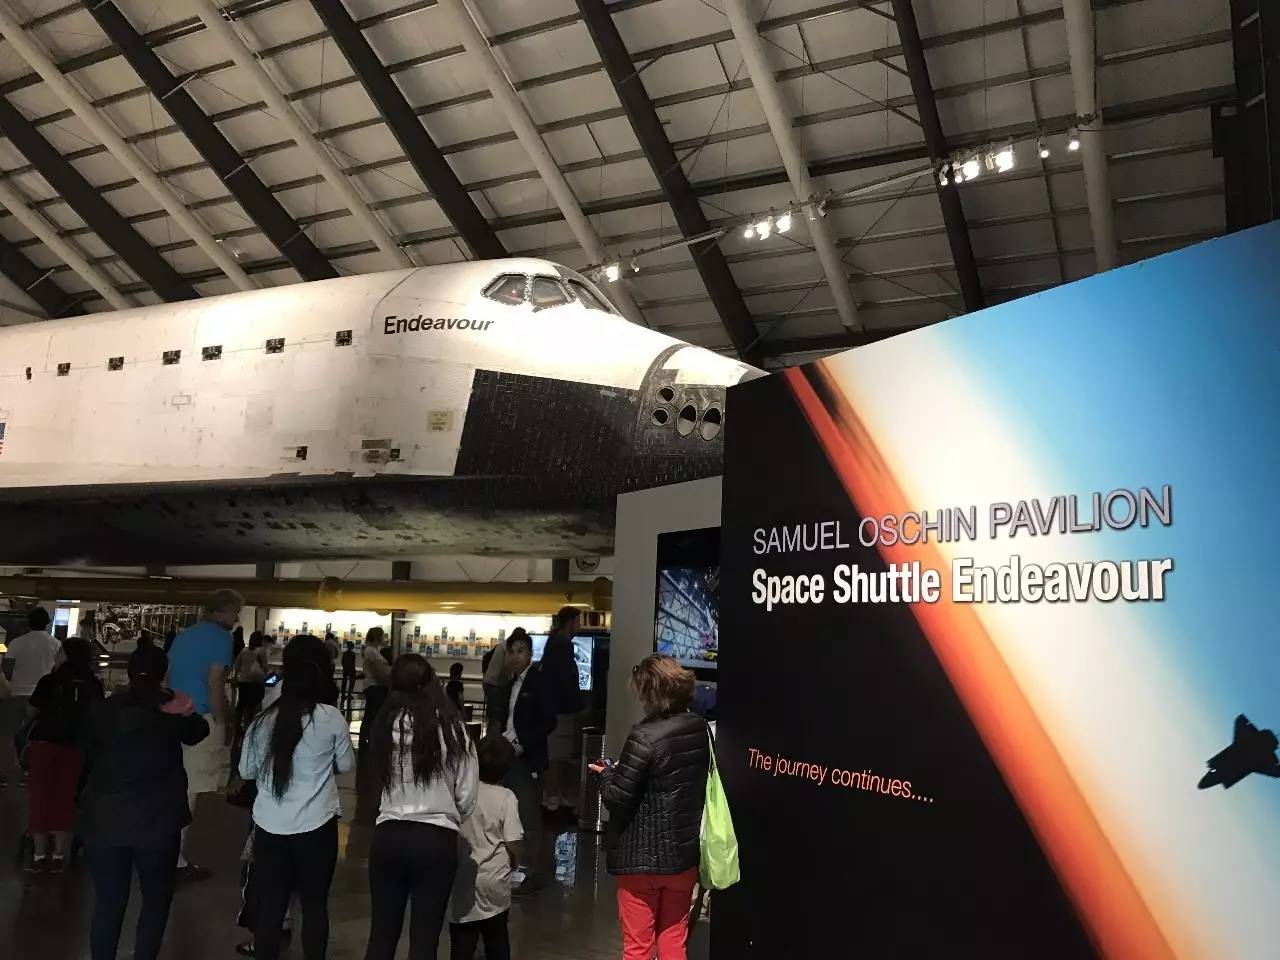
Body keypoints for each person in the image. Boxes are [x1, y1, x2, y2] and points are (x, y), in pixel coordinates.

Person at [79, 646, 210, 960]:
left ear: (128, 672)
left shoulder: (103, 709)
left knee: (108, 903)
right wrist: (182, 706)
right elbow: (198, 732)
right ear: (164, 673)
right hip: (158, 820)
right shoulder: (170, 708)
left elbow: (87, 753)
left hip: (105, 819)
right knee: (155, 901)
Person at [240, 634, 354, 960]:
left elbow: (246, 770)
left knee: (272, 906)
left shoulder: (262, 721)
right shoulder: (331, 717)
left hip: (269, 827)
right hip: (317, 826)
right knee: (315, 904)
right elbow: (346, 764)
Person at [591, 655, 709, 960]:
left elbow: (617, 797)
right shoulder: (699, 727)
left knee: (638, 948)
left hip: (640, 859)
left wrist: (606, 773)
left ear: (650, 692)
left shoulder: (644, 736)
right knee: (674, 943)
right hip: (682, 857)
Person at [365, 654, 478, 960]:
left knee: (381, 936)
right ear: (431, 683)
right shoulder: (454, 728)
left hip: (388, 835)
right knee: (425, 941)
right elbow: (467, 795)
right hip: (436, 840)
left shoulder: (384, 725)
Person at [167, 589, 241, 880]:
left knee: (173, 785)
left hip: (174, 715)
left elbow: (169, 675)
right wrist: (222, 722)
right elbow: (214, 683)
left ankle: (163, 852)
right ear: (222, 610)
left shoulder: (185, 635)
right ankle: (175, 861)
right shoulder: (221, 638)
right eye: (235, 612)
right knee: (191, 789)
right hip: (200, 719)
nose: (236, 619)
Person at [25, 636, 103, 871]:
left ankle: (39, 855)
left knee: (40, 797)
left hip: (45, 745)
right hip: (77, 747)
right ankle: (60, 855)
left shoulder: (50, 681)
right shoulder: (93, 683)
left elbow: (32, 710)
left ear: (66, 656)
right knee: (65, 798)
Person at [450, 736, 523, 960]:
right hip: (495, 879)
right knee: (497, 937)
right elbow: (513, 841)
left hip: (462, 876)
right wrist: (515, 862)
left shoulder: (459, 792)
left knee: (462, 938)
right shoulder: (506, 797)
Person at [494, 632, 555, 894]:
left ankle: (530, 872)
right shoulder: (510, 682)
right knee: (506, 813)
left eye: (521, 651)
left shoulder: (539, 681)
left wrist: (523, 743)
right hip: (505, 754)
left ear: (530, 653)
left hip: (526, 757)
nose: (515, 656)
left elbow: (548, 721)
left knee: (527, 815)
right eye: (511, 651)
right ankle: (511, 868)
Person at [0, 606, 62, 788]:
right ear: (47, 623)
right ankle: (31, 770)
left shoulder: (16, 643)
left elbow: (7, 670)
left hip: (18, 693)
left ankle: (10, 773)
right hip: (44, 698)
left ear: (28, 623)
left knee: (10, 736)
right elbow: (57, 670)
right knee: (37, 735)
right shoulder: (55, 644)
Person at [540, 606, 583, 815]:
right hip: (560, 709)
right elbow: (565, 679)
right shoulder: (563, 645)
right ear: (570, 622)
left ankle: (552, 794)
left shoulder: (554, 642)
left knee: (556, 753)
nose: (580, 625)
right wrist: (577, 704)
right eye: (578, 621)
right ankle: (554, 796)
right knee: (558, 754)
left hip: (553, 706)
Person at [233, 632, 271, 741]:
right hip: (257, 682)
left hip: (243, 681)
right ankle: (252, 727)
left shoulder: (244, 650)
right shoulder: (261, 651)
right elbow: (264, 666)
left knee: (243, 703)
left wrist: (236, 677)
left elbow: (237, 665)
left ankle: (241, 726)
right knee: (255, 704)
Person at [480, 633, 509, 735]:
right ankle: (494, 737)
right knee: (498, 716)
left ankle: (490, 737)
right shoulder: (503, 651)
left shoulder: (489, 656)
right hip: (496, 685)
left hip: (488, 684)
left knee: (492, 715)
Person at [341, 642, 357, 711]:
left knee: (344, 681)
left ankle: (343, 694)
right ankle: (349, 694)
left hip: (345, 668)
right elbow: (353, 662)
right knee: (352, 681)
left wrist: (344, 667)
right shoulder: (352, 654)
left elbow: (342, 661)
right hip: (351, 669)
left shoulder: (345, 653)